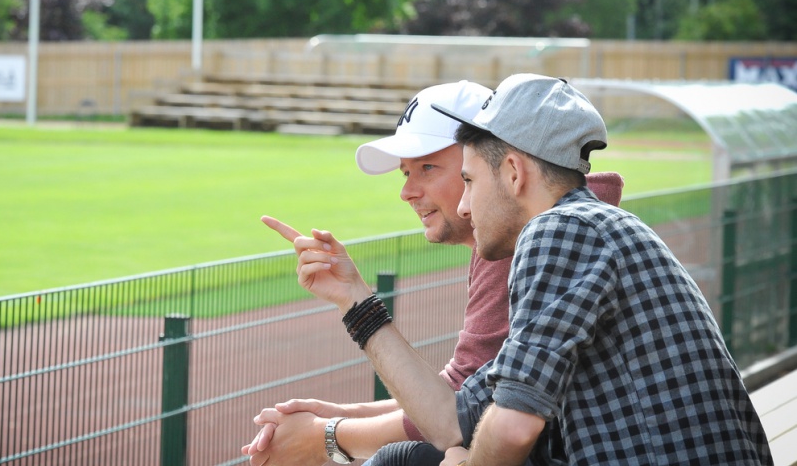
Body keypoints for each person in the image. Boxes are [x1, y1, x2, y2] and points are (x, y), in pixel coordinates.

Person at [261, 73, 771, 465]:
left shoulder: (561, 231)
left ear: (513, 171)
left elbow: (507, 430)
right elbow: (453, 418)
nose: (463, 207)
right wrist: (355, 300)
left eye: (468, 179)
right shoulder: (580, 229)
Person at [244, 80, 624, 465]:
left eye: (427, 167)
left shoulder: (544, 234)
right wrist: (341, 418)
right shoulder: (553, 229)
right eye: (405, 172)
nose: (407, 191)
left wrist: (327, 437)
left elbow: (456, 420)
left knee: (406, 459)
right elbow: (468, 397)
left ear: (499, 165)